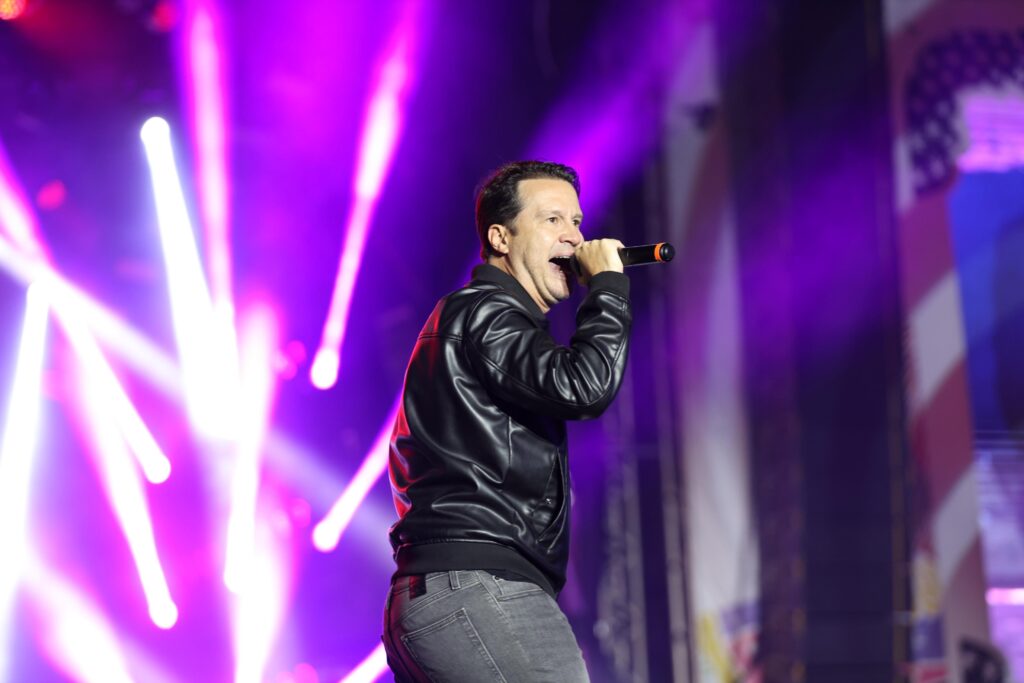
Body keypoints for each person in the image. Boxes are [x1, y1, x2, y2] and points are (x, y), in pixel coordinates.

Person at [382, 160, 632, 682]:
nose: (574, 237)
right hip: (478, 585)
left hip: (447, 592)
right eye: (552, 220)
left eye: (576, 221)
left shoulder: (479, 317)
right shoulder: (485, 311)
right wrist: (608, 289)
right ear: (500, 237)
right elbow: (583, 386)